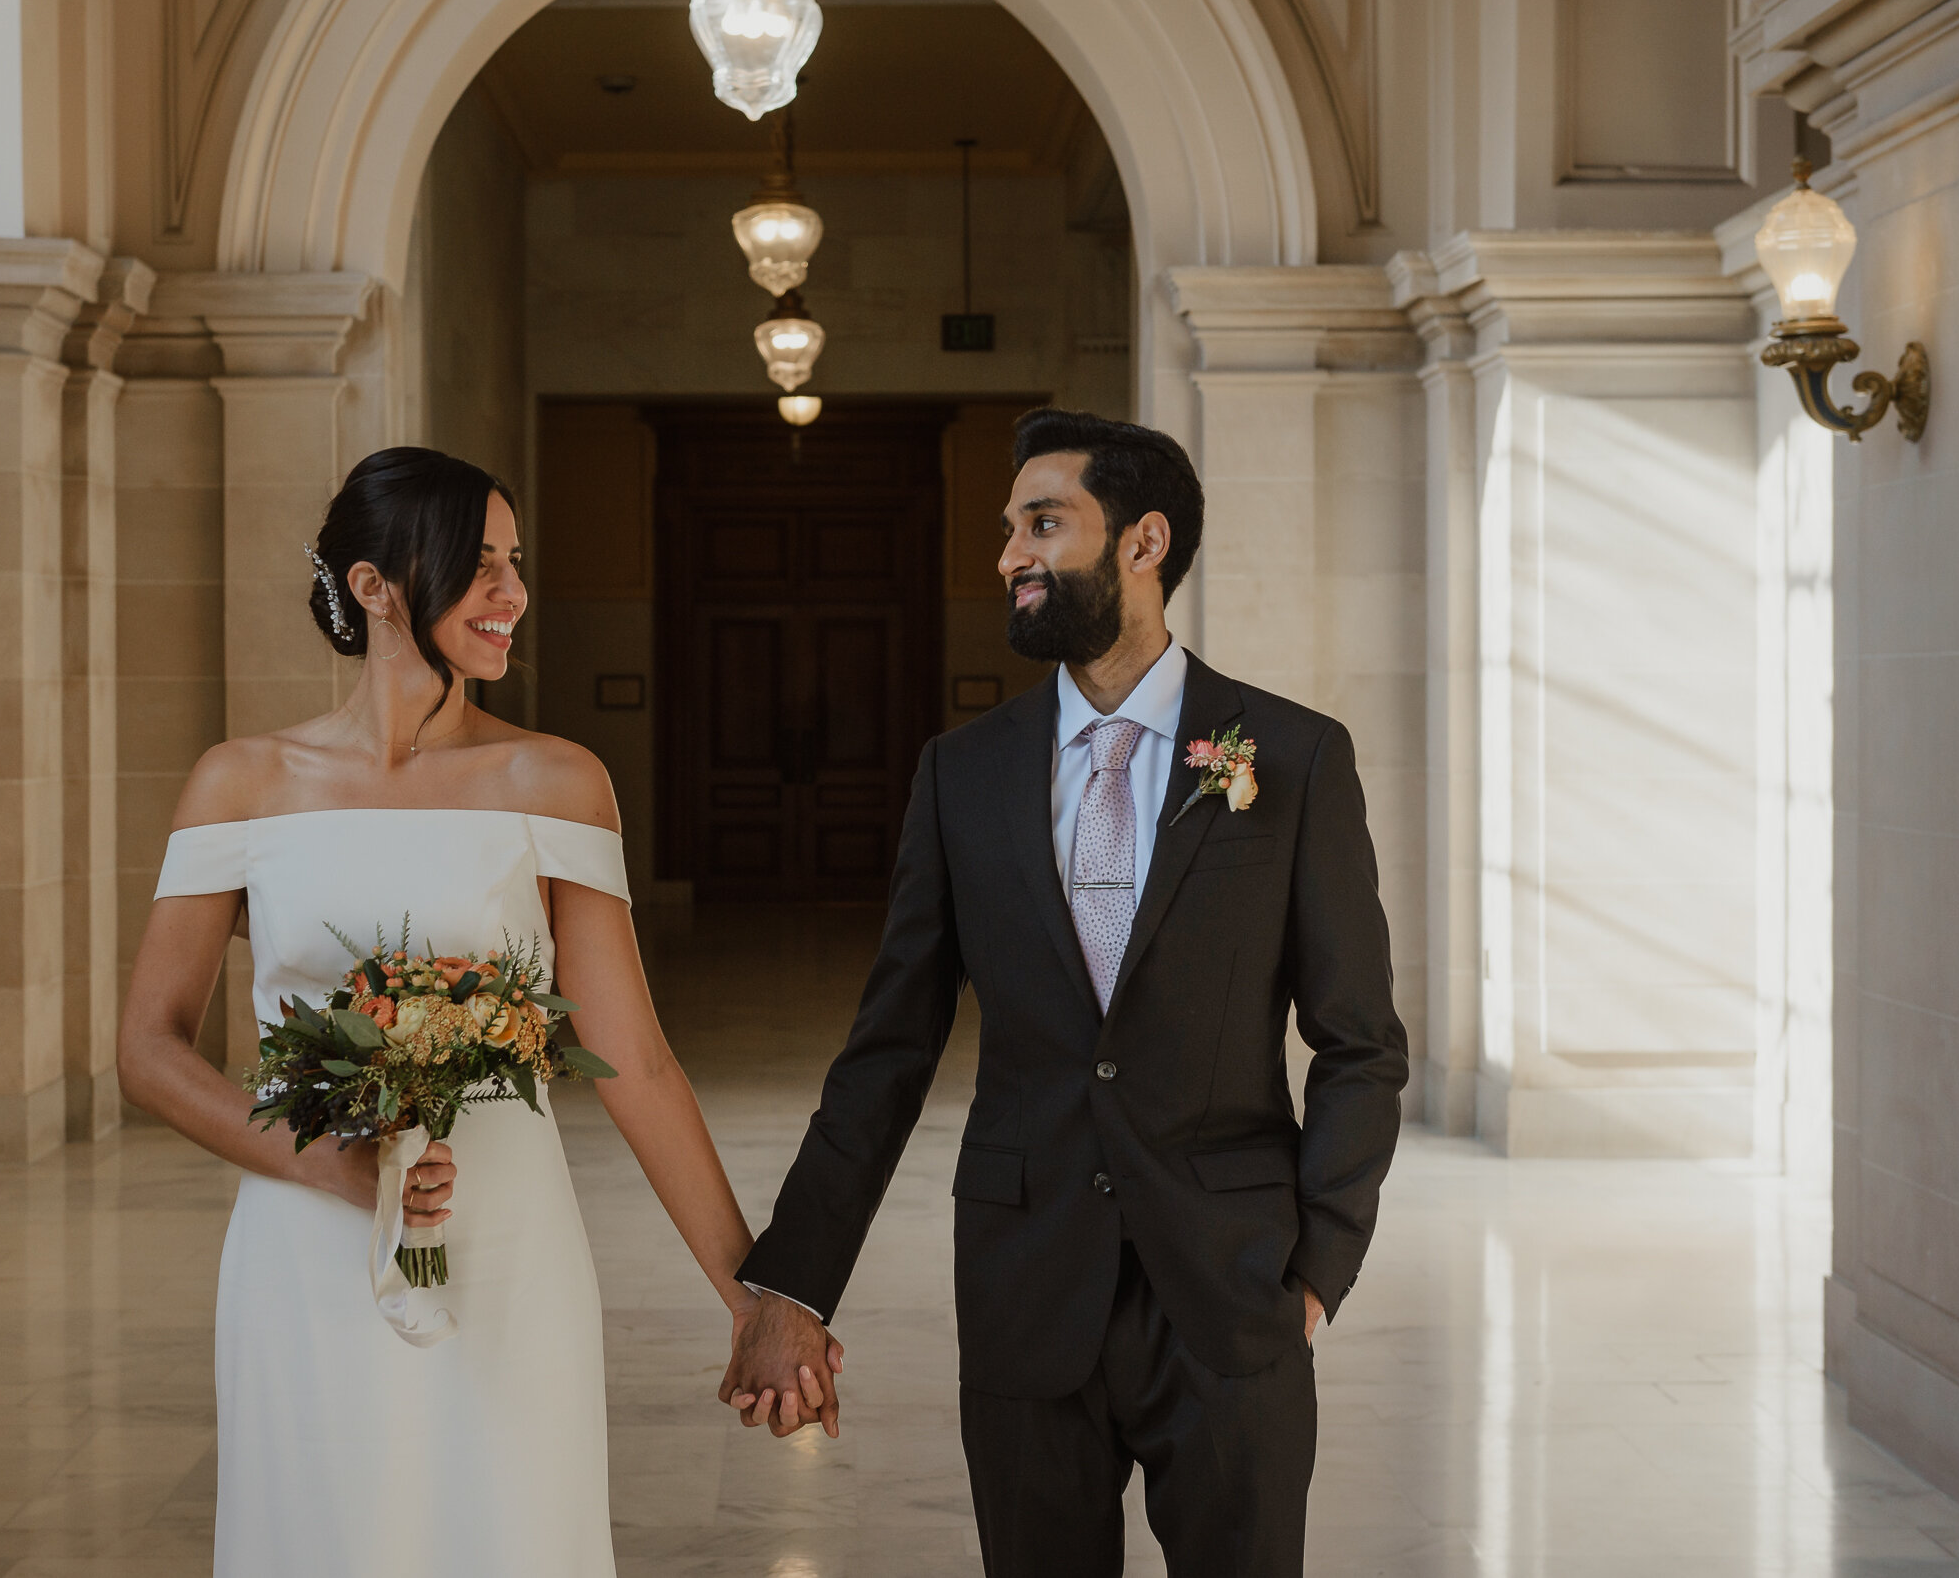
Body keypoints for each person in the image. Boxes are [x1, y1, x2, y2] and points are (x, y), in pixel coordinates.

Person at [718, 408, 1410, 1576]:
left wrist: (1315, 1273)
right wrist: (791, 1282)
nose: (1007, 556)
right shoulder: (962, 775)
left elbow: (1359, 1042)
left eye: (1043, 523)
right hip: (1024, 1286)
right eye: (1007, 529)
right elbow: (887, 1053)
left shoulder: (1291, 757)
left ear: (1142, 543)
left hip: (1230, 1291)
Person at [119, 447, 794, 1576]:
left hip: (506, 1235)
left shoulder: (556, 780)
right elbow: (147, 1046)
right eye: (478, 564)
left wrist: (750, 1293)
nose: (513, 594)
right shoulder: (239, 782)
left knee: (509, 1529)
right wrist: (324, 1166)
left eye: (515, 563)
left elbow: (634, 1059)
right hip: (306, 1239)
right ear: (376, 584)